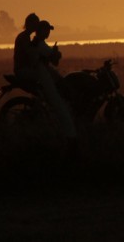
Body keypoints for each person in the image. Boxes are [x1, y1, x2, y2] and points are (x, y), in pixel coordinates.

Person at [30, 19, 78, 151]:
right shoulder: (39, 44)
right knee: (59, 106)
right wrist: (56, 53)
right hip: (43, 76)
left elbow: (52, 59)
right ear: (41, 31)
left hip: (45, 73)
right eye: (47, 30)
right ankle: (70, 136)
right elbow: (53, 57)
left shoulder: (39, 43)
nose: (48, 33)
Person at [12, 12, 40, 84]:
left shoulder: (25, 36)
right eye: (36, 23)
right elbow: (29, 53)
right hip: (22, 70)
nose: (37, 26)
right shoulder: (24, 37)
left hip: (24, 69)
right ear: (31, 24)